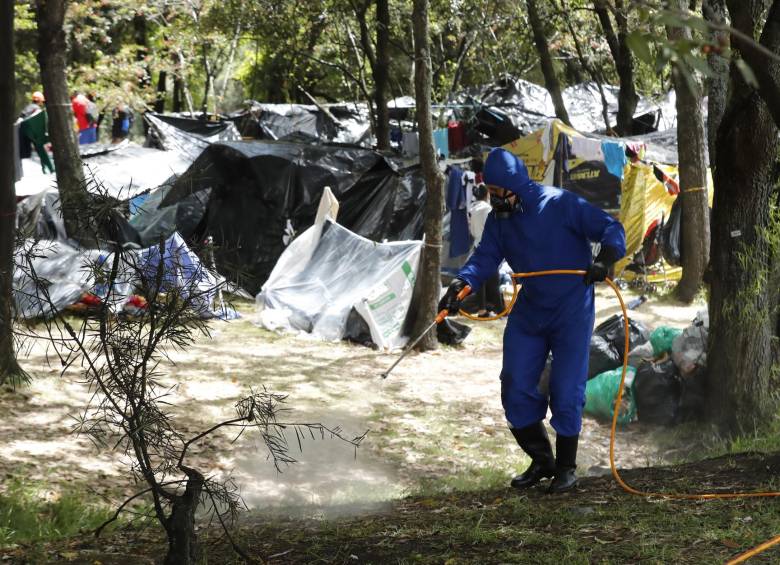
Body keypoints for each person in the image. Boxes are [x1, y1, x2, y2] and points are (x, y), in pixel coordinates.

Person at [438, 148, 626, 494]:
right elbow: (484, 258)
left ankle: (566, 469)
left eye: (497, 193)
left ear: (515, 186)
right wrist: (460, 286)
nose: (493, 200)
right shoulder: (500, 221)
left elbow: (610, 227)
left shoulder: (560, 204)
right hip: (530, 310)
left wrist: (607, 259)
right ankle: (542, 461)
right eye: (489, 192)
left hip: (571, 308)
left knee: (567, 389)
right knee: (514, 382)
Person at [467, 183, 502, 317]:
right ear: (487, 194)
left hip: (477, 244)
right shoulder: (487, 209)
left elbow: (473, 230)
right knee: (494, 278)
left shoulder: (473, 208)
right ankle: (496, 309)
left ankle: (486, 309)